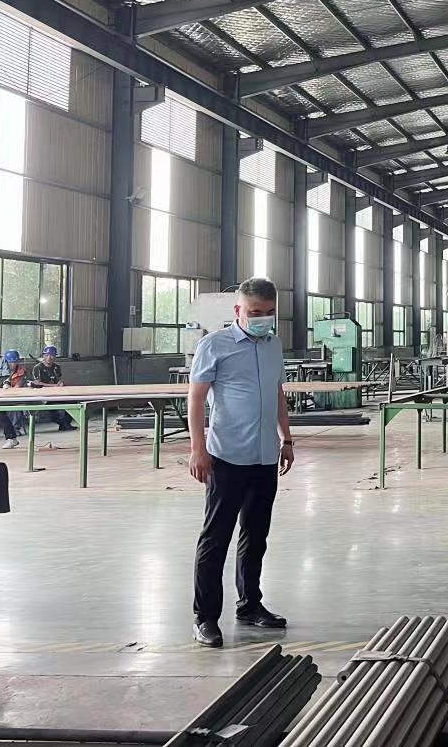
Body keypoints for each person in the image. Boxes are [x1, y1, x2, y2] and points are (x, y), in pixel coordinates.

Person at [187, 277, 293, 649]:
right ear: (238, 310)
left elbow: (277, 393)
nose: (262, 319)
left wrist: (286, 439)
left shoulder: (273, 345)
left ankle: (250, 605)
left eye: (268, 313)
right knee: (216, 538)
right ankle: (205, 618)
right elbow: (196, 398)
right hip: (226, 457)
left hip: (264, 457)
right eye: (254, 312)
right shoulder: (213, 345)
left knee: (255, 536)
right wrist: (198, 448)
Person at [30, 346, 75, 432]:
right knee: (52, 411)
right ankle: (62, 424)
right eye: (47, 355)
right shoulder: (38, 368)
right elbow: (37, 383)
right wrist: (52, 386)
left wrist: (60, 383)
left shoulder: (56, 367)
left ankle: (66, 424)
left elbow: (58, 379)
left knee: (72, 402)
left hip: (56, 394)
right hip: (43, 396)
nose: (49, 357)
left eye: (52, 355)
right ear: (43, 356)